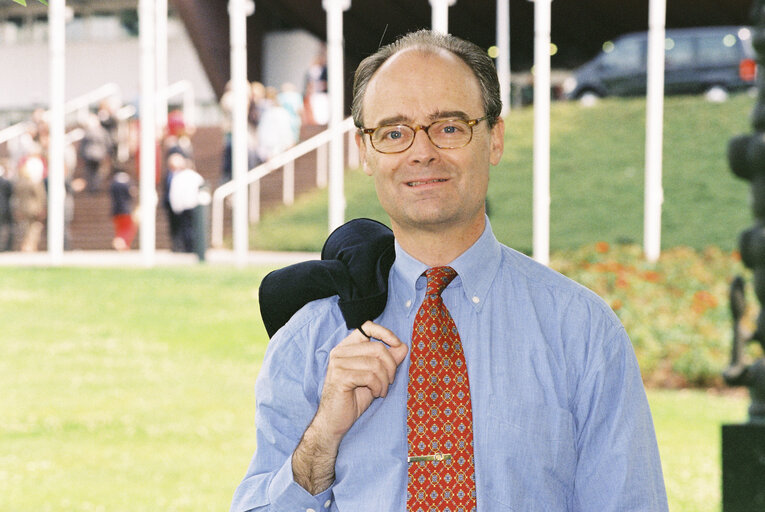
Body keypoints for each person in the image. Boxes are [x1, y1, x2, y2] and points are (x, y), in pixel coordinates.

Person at [231, 30, 668, 512]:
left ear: (494, 138)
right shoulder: (312, 340)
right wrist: (321, 437)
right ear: (365, 151)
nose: (422, 152)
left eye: (449, 126)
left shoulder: (581, 332)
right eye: (393, 132)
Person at [166, 153, 204, 253]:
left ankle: (187, 247)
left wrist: (176, 207)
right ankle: (192, 246)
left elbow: (175, 193)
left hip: (183, 206)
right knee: (192, 227)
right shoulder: (196, 177)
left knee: (186, 228)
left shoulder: (178, 178)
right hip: (194, 205)